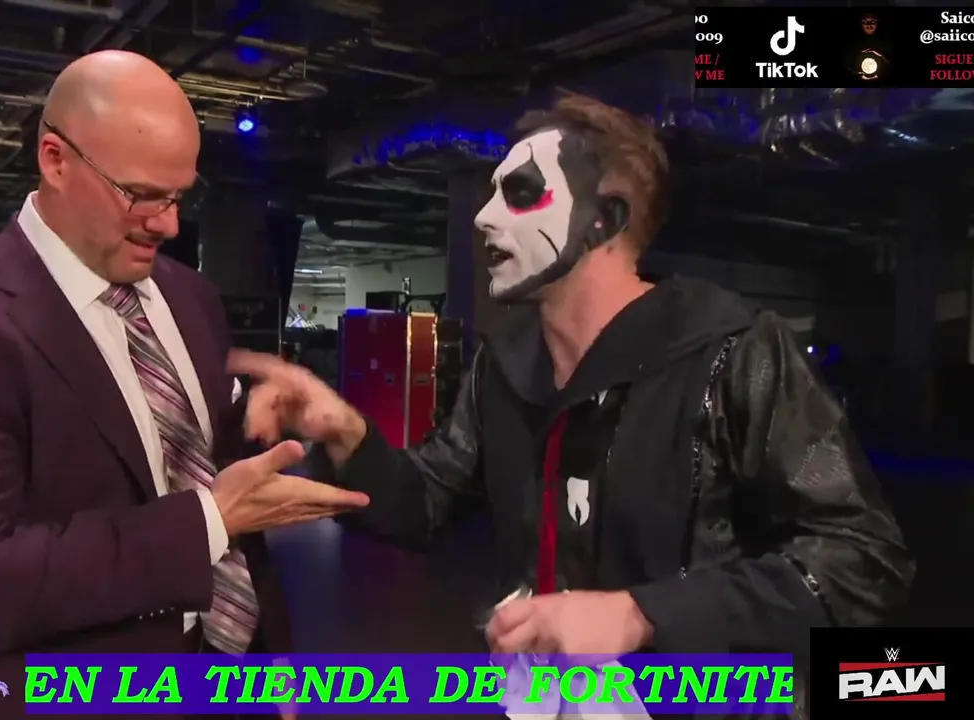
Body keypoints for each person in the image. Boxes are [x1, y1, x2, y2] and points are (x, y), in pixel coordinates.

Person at [232, 94, 912, 701]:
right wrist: (344, 430)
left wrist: (643, 614)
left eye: (521, 193)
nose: (485, 218)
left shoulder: (731, 351)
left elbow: (863, 559)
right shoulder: (507, 365)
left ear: (603, 220)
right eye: (492, 193)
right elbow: (424, 502)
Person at [0, 50, 367, 719]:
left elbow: (182, 465)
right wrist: (208, 520)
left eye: (180, 196)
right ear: (55, 159)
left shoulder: (191, 298)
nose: (168, 223)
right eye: (140, 194)